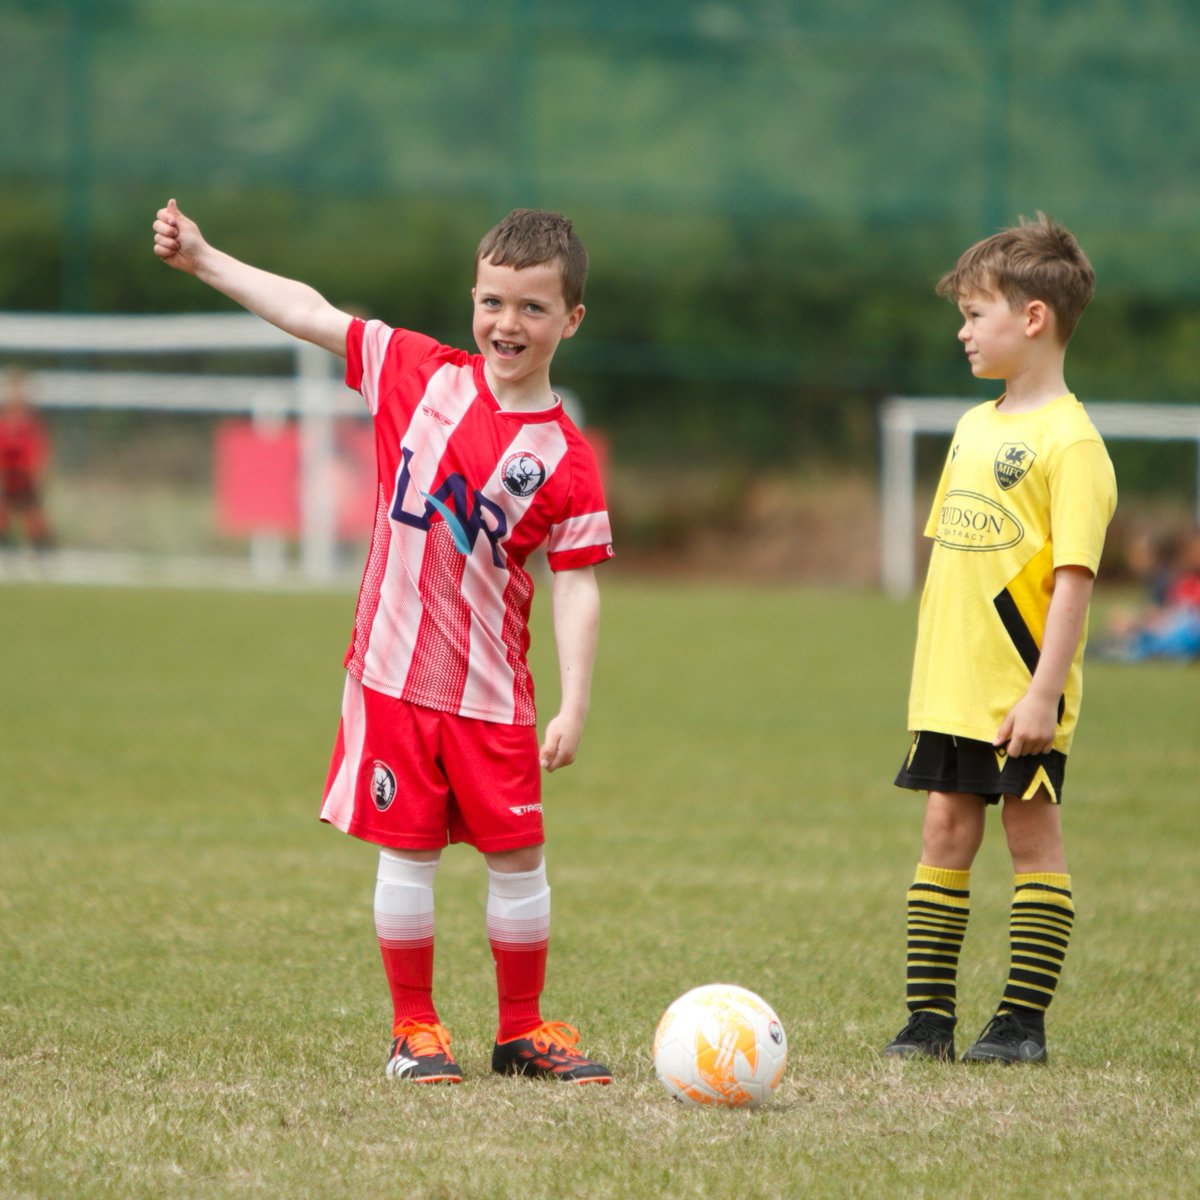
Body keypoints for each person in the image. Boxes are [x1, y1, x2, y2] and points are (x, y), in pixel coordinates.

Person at [152, 199, 615, 1085]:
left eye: (532, 307)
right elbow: (310, 311)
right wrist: (206, 259)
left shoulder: (567, 457)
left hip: (494, 692)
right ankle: (415, 1031)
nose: (507, 323)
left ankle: (521, 1033)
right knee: (408, 852)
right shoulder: (418, 373)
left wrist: (576, 700)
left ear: (571, 319)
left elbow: (577, 581)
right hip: (393, 678)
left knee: (520, 857)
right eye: (492, 301)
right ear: (472, 299)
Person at [882, 214, 1117, 1065]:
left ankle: (1021, 1024)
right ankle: (928, 1022)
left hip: (1021, 691)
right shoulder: (974, 427)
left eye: (975, 314)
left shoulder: (1072, 444)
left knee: (1030, 837)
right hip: (951, 686)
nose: (963, 331)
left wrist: (1043, 694)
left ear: (1033, 317)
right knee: (943, 833)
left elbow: (1073, 581)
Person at [0, 367, 54, 549]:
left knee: (34, 512)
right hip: (8, 473)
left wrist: (38, 468)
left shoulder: (32, 419)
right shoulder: (4, 418)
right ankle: (6, 543)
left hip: (26, 473)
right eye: (12, 389)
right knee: (4, 510)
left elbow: (41, 446)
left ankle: (42, 546)